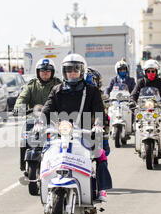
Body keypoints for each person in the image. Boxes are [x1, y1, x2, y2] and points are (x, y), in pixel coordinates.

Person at [42, 54, 112, 203]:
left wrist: (98, 124)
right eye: (69, 70)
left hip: (84, 133)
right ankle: (43, 181)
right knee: (45, 153)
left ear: (82, 71)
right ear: (64, 72)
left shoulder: (91, 91)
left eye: (76, 69)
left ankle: (102, 189)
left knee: (100, 155)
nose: (72, 73)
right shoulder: (57, 90)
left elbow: (99, 111)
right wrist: (39, 122)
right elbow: (47, 108)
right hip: (61, 132)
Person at [14, 58, 61, 171]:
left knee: (62, 138)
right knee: (25, 136)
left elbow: (65, 99)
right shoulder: (32, 85)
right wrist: (18, 108)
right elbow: (22, 98)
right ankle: (23, 164)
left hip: (53, 119)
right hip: (34, 118)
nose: (45, 73)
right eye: (42, 71)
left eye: (48, 71)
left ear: (52, 72)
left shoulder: (58, 84)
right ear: (38, 72)